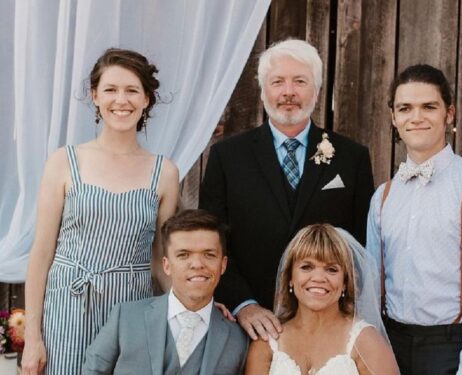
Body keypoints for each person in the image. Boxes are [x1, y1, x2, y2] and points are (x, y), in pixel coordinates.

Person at [200, 38, 374, 342]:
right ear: (264, 90)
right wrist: (243, 305)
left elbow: (361, 242)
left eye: (300, 81)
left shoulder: (352, 157)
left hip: (326, 324)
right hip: (246, 327)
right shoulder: (227, 157)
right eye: (277, 81)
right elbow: (211, 242)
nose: (288, 92)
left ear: (317, 91)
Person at [22, 48, 180, 375]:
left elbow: (160, 259)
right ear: (95, 96)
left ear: (147, 99)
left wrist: (193, 303)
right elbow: (41, 254)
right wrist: (33, 337)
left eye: (132, 90)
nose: (121, 100)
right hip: (67, 307)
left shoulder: (164, 173)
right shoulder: (63, 162)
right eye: (110, 89)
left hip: (131, 310)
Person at [366, 64, 462, 374]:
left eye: (428, 106)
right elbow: (371, 287)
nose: (416, 117)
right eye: (405, 108)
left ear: (449, 113)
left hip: (452, 349)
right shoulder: (383, 197)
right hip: (389, 345)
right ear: (393, 117)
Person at [82, 209, 247, 374]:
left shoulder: (238, 339)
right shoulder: (125, 317)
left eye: (209, 254)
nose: (197, 264)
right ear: (166, 265)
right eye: (184, 255)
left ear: (223, 265)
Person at [245, 224, 399, 375]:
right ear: (290, 278)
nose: (318, 278)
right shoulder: (266, 343)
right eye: (307, 267)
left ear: (345, 283)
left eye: (331, 269)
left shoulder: (366, 341)